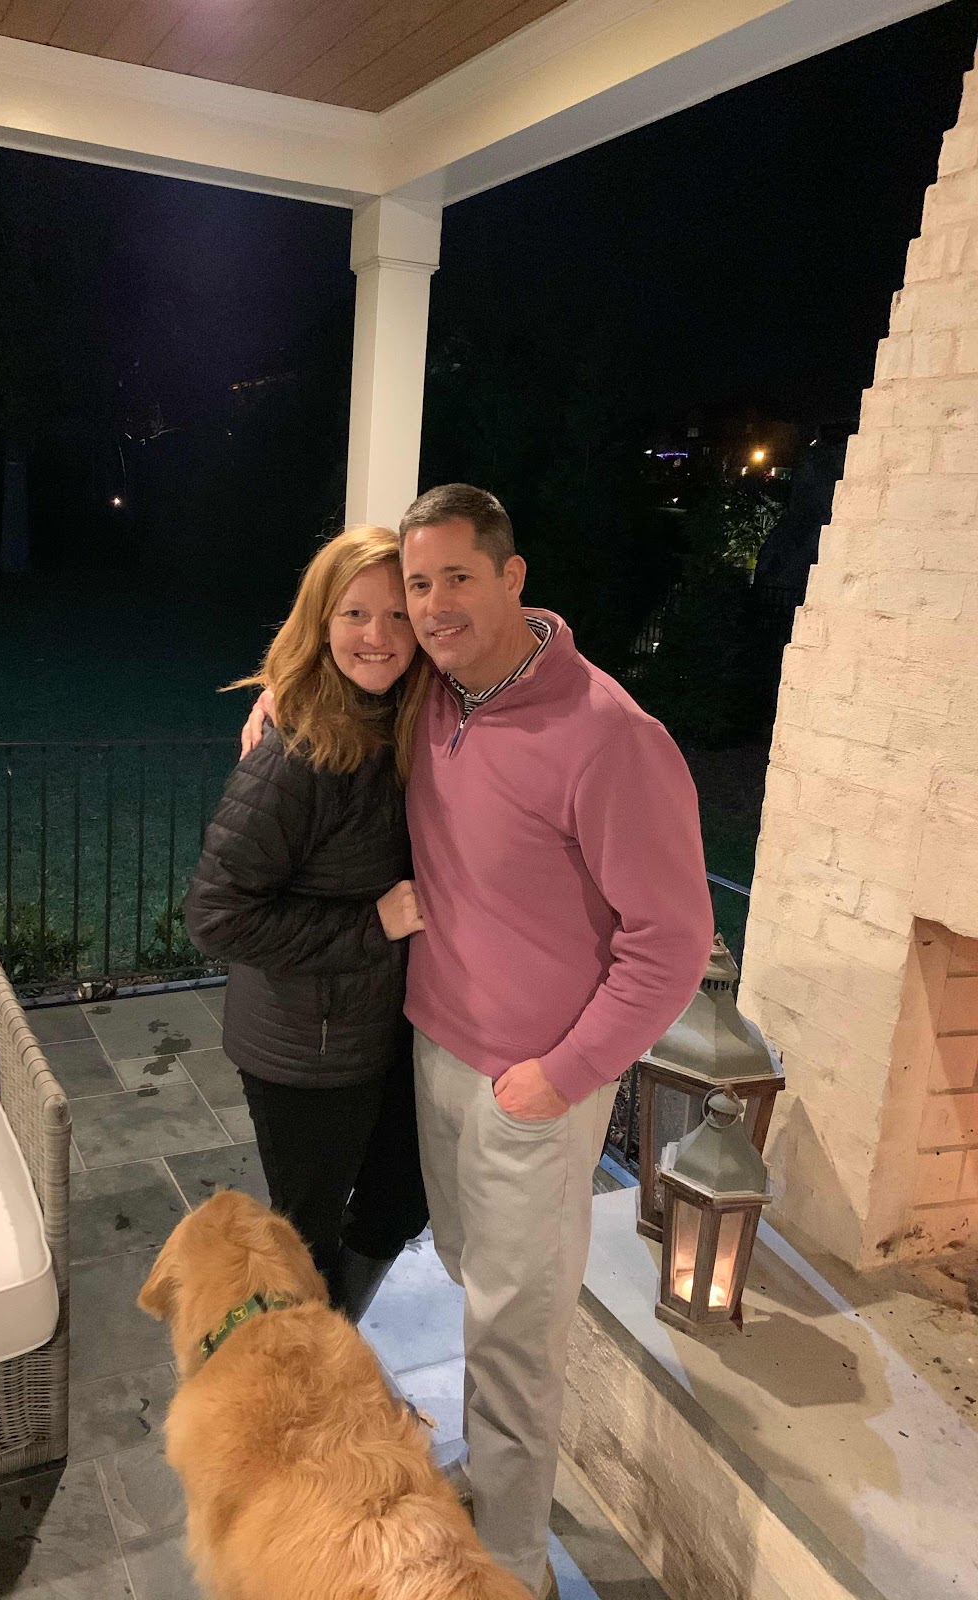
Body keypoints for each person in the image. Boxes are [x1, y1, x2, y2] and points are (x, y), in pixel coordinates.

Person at [242, 485, 713, 1600]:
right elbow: (342, 668)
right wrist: (278, 698)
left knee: (516, 1333)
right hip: (433, 1055)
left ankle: (510, 1565)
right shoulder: (435, 695)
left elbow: (674, 944)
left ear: (513, 576)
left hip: (531, 1084)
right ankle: (497, 1488)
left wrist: (561, 1077)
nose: (433, 605)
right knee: (471, 1279)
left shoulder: (610, 737)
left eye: (459, 576)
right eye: (419, 584)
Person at [184, 524, 432, 1324]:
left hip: (381, 1027)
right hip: (305, 1052)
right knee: (306, 1239)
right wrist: (371, 925)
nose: (378, 635)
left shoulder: (401, 716)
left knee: (400, 1199)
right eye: (355, 613)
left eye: (398, 615)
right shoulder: (295, 754)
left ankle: (335, 1336)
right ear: (321, 622)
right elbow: (215, 917)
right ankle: (306, 1372)